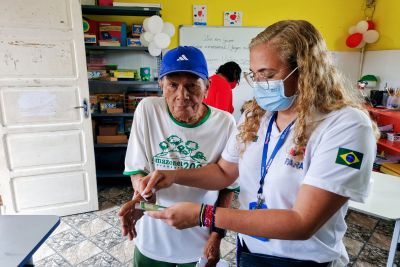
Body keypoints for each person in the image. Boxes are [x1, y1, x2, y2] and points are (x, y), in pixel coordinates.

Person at [135, 20, 379, 267]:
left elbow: (302, 222)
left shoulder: (345, 125)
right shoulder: (258, 116)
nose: (261, 84)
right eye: (254, 75)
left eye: (268, 75)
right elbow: (223, 172)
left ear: (305, 70)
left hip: (303, 260)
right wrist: (173, 175)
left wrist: (203, 215)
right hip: (251, 251)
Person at [119, 46, 237, 267]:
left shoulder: (225, 123)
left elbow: (228, 186)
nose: (182, 95)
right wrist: (141, 196)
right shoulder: (148, 110)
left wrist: (216, 235)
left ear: (207, 88)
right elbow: (137, 169)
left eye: (192, 86)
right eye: (173, 85)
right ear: (161, 86)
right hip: (152, 236)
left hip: (198, 240)